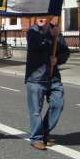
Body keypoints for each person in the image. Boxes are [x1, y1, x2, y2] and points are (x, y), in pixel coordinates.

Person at [25, 16, 69, 150]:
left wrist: (58, 59)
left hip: (53, 77)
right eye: (40, 15)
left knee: (57, 104)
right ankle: (36, 138)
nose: (42, 18)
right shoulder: (32, 31)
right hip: (36, 78)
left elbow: (65, 52)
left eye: (45, 15)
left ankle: (44, 132)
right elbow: (35, 46)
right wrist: (48, 34)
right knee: (36, 111)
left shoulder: (56, 32)